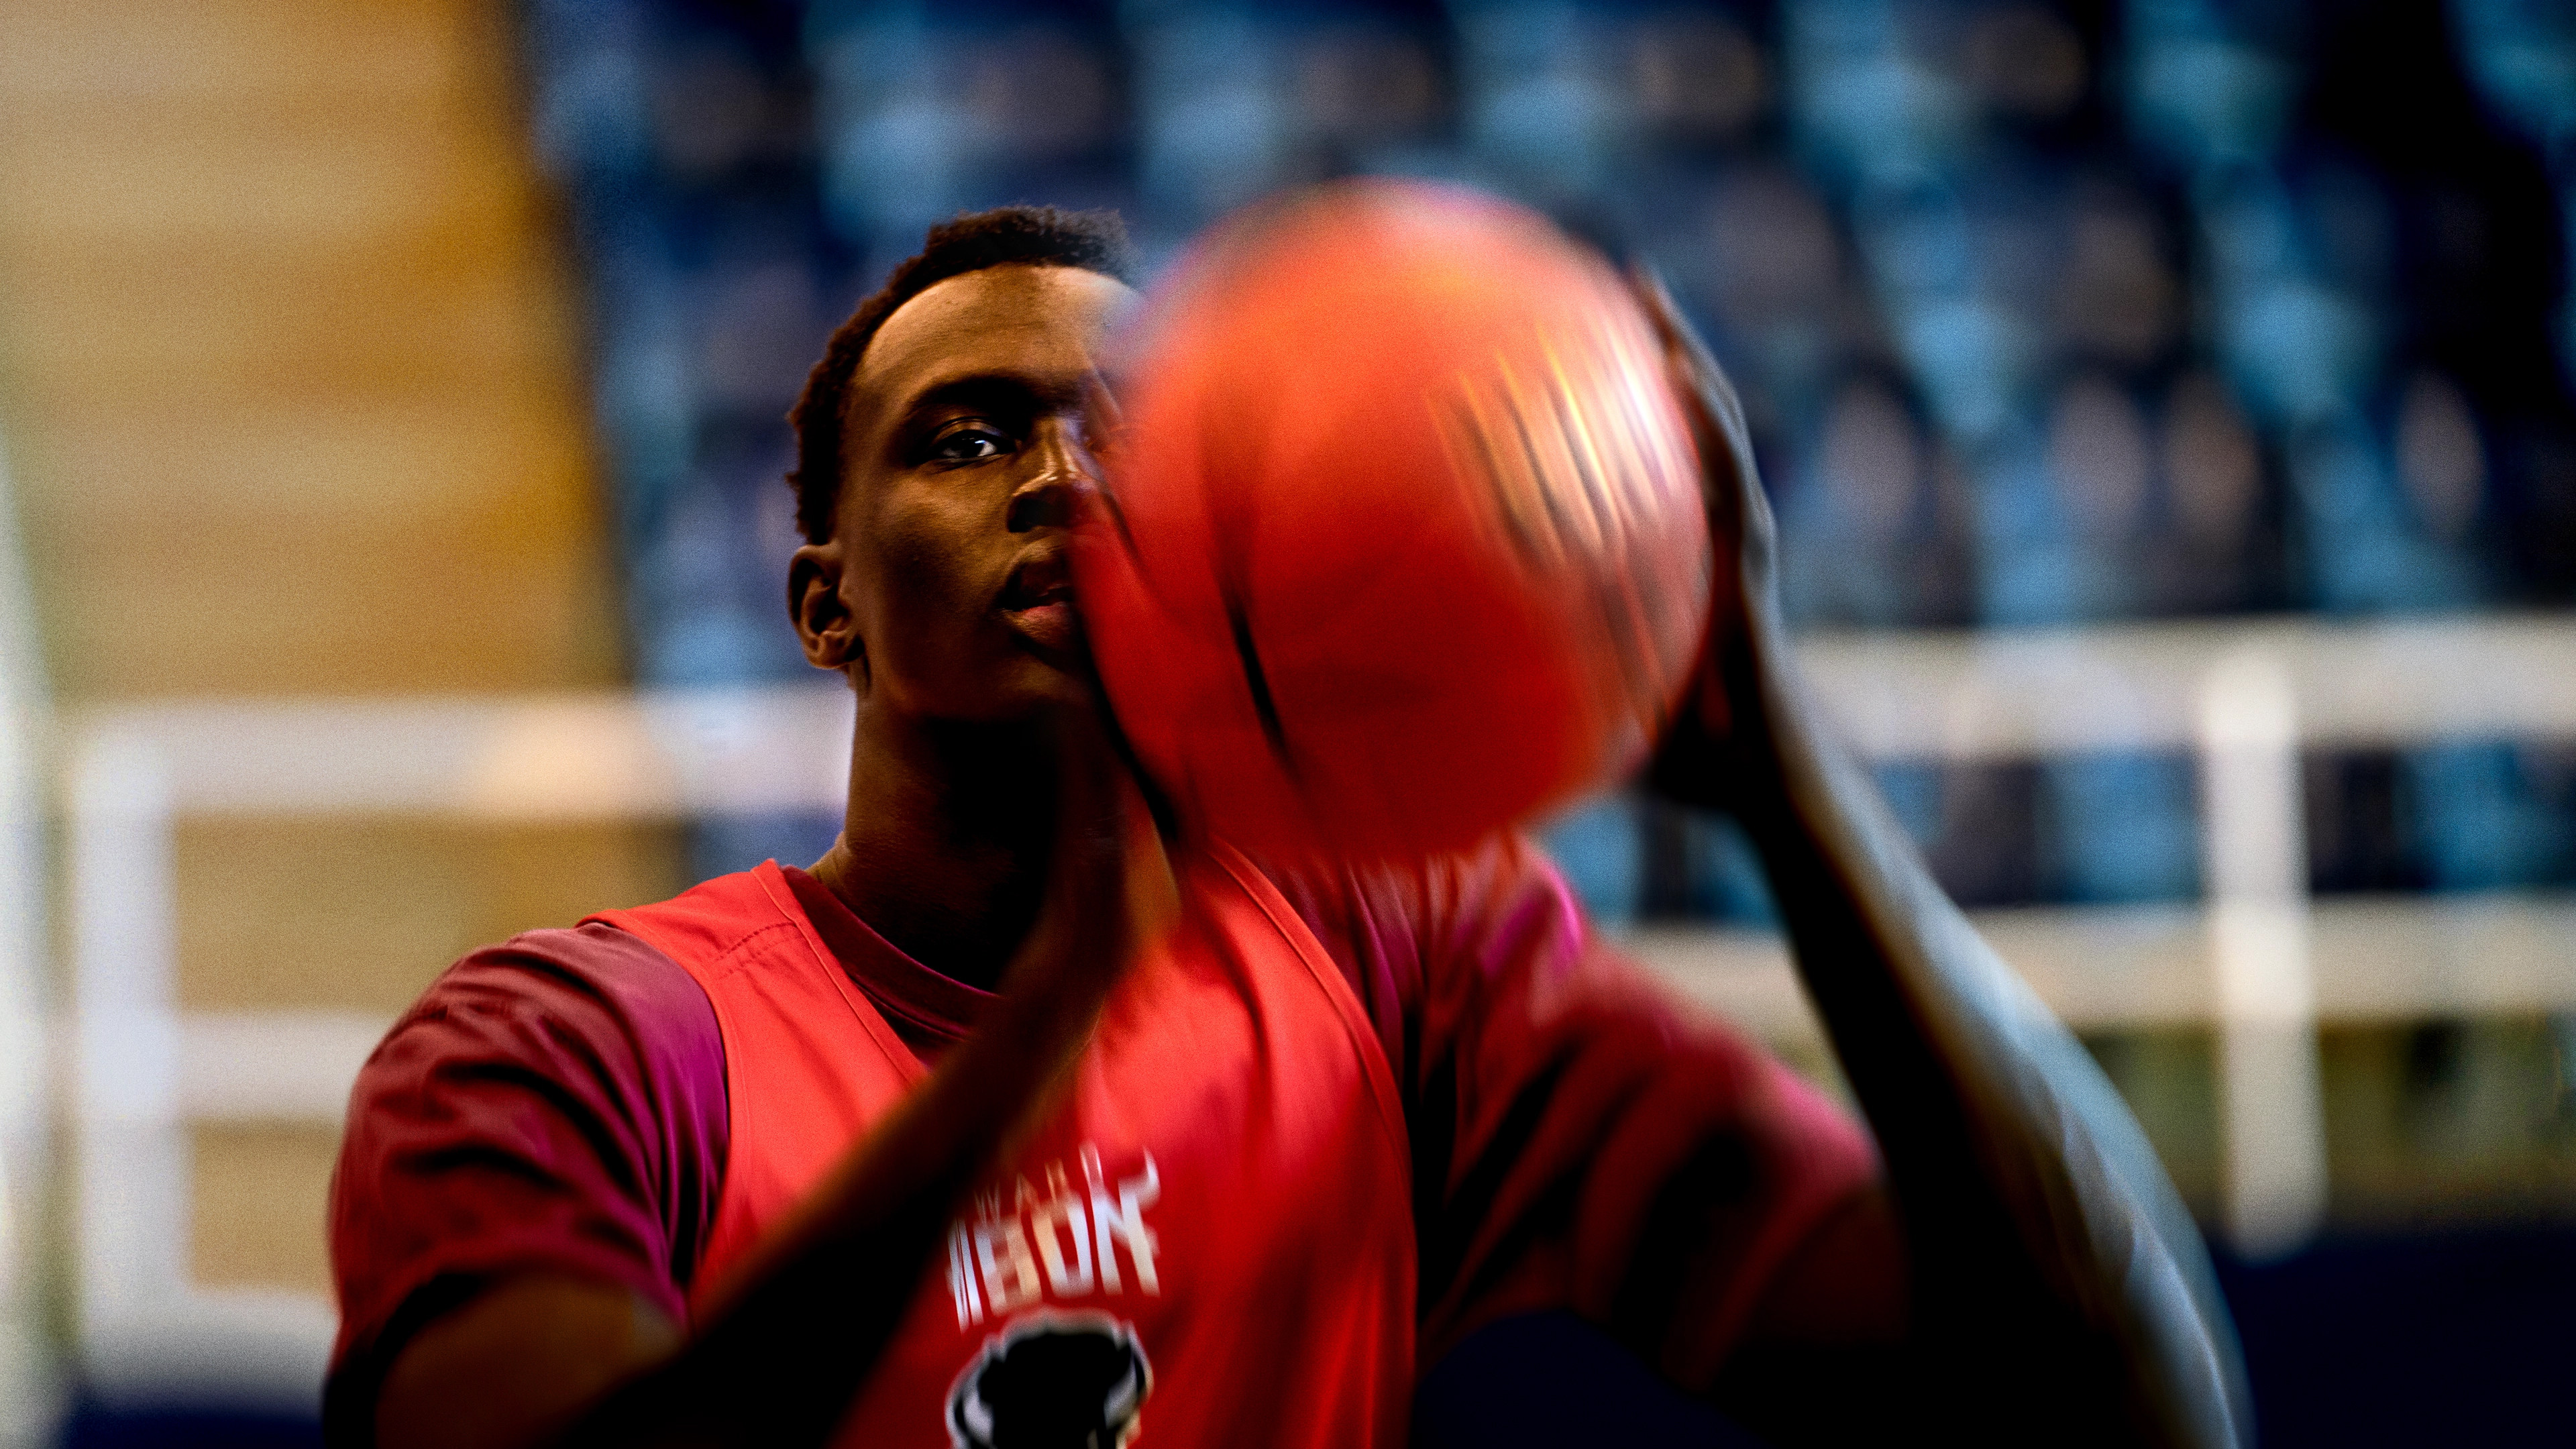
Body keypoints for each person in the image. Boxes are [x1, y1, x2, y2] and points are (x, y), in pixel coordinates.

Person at [326, 205, 2247, 1448]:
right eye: (972, 436)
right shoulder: (566, 1046)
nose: (1070, 485)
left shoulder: (1404, 965)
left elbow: (2124, 1407)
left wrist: (1780, 778)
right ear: (825, 603)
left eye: (1136, 439)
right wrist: (1050, 1026)